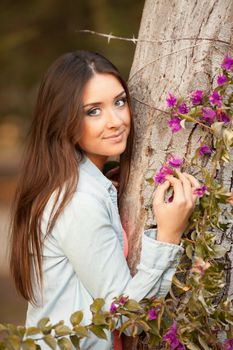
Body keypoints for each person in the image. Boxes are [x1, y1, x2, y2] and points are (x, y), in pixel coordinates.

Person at [10, 51, 200, 350]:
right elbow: (126, 316)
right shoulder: (77, 200)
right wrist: (168, 235)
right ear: (63, 119)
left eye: (120, 102)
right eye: (93, 111)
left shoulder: (82, 184)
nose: (115, 121)